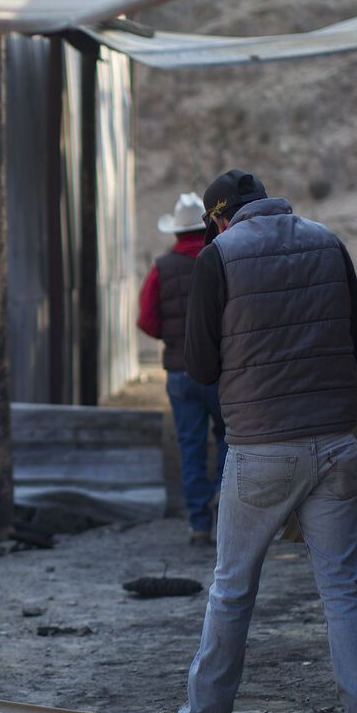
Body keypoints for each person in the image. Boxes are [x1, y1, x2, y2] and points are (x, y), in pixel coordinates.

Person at [177, 168, 357, 713]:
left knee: (231, 591)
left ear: (220, 218)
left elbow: (199, 366)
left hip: (261, 450)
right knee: (345, 595)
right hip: (336, 445)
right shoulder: (327, 241)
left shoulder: (219, 256)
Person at [137, 191, 227, 544]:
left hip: (179, 371)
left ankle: (198, 523)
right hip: (220, 370)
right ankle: (224, 506)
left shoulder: (161, 268)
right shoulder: (221, 259)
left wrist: (172, 337)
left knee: (190, 446)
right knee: (228, 439)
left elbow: (146, 320)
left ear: (176, 232)